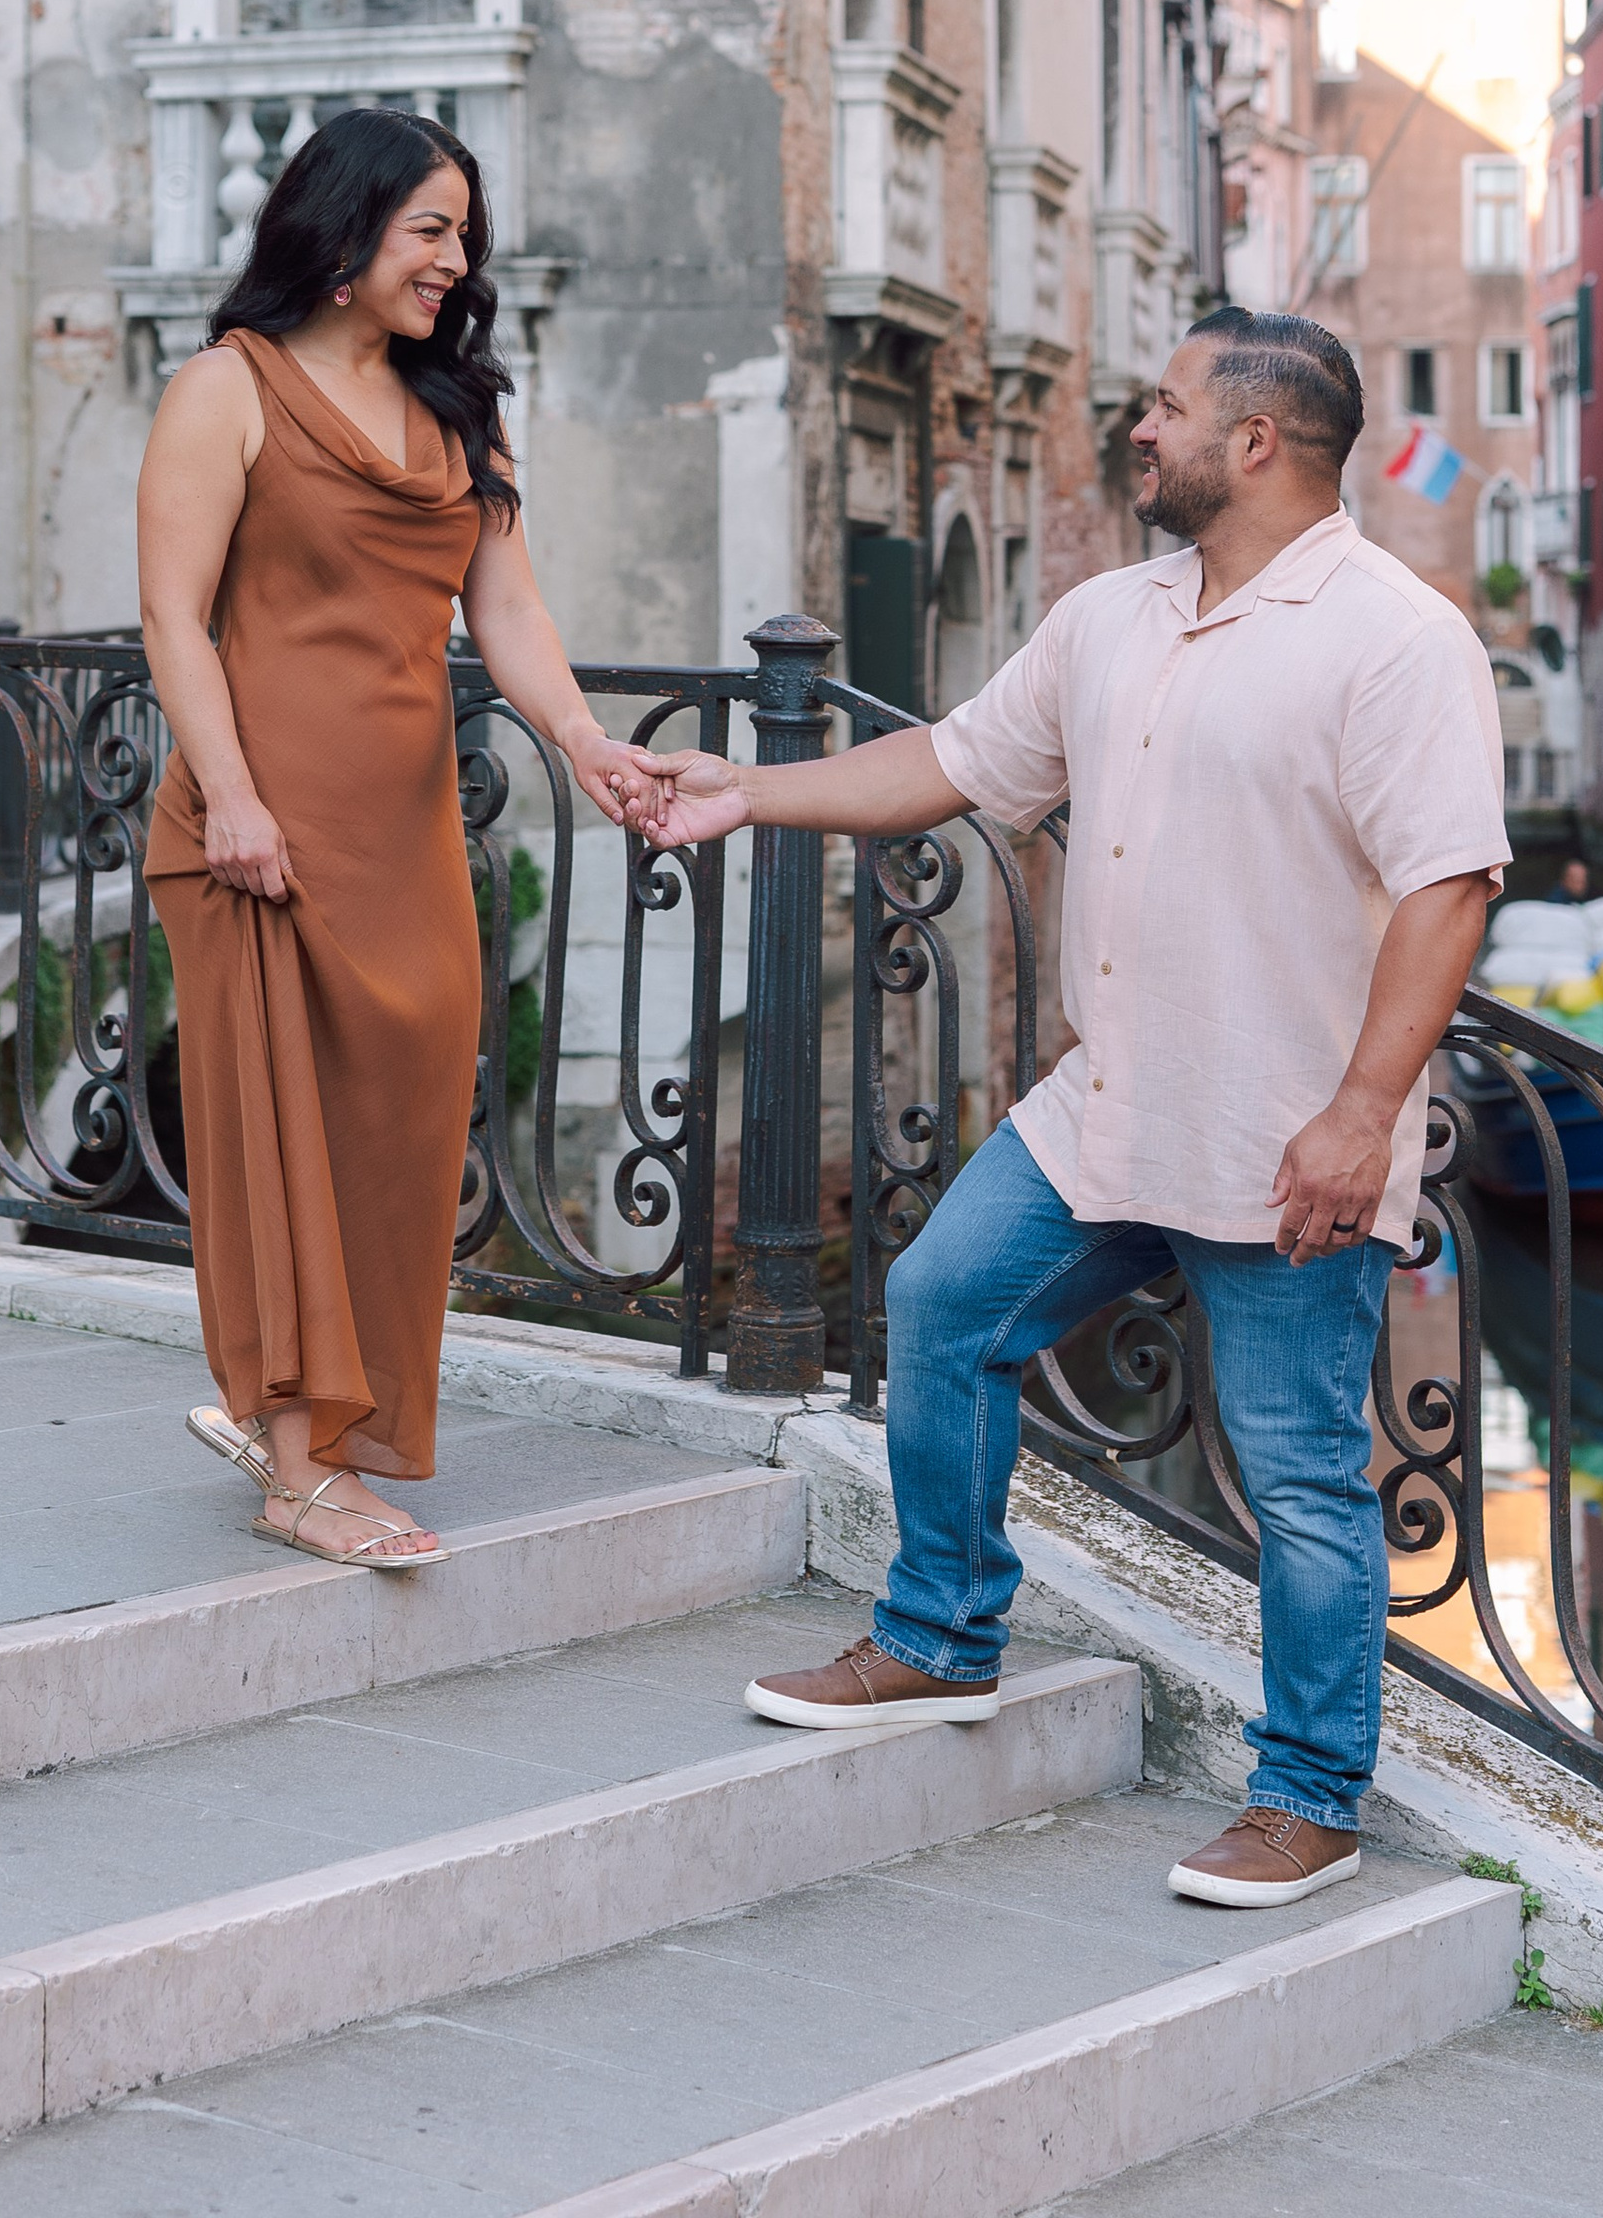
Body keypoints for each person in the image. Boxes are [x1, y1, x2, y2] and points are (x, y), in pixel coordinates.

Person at [620, 307, 1505, 1907]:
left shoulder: (1397, 635)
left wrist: (1365, 1113)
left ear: (1255, 442)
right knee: (942, 1303)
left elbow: (1450, 887)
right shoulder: (1116, 615)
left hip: (1291, 1131)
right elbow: (952, 765)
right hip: (1109, 1104)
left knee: (1296, 1470)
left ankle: (1308, 1793)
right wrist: (743, 794)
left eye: (1167, 408)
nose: (1141, 429)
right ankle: (944, 1634)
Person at [137, 109, 650, 1568]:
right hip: (258, 821)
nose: (457, 257)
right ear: (346, 232)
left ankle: (317, 1421)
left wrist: (588, 745)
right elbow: (174, 615)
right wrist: (230, 796)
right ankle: (301, 1470)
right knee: (282, 1132)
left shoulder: (457, 409)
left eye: (463, 231)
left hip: (405, 823)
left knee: (402, 1123)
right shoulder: (225, 392)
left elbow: (509, 614)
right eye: (430, 227)